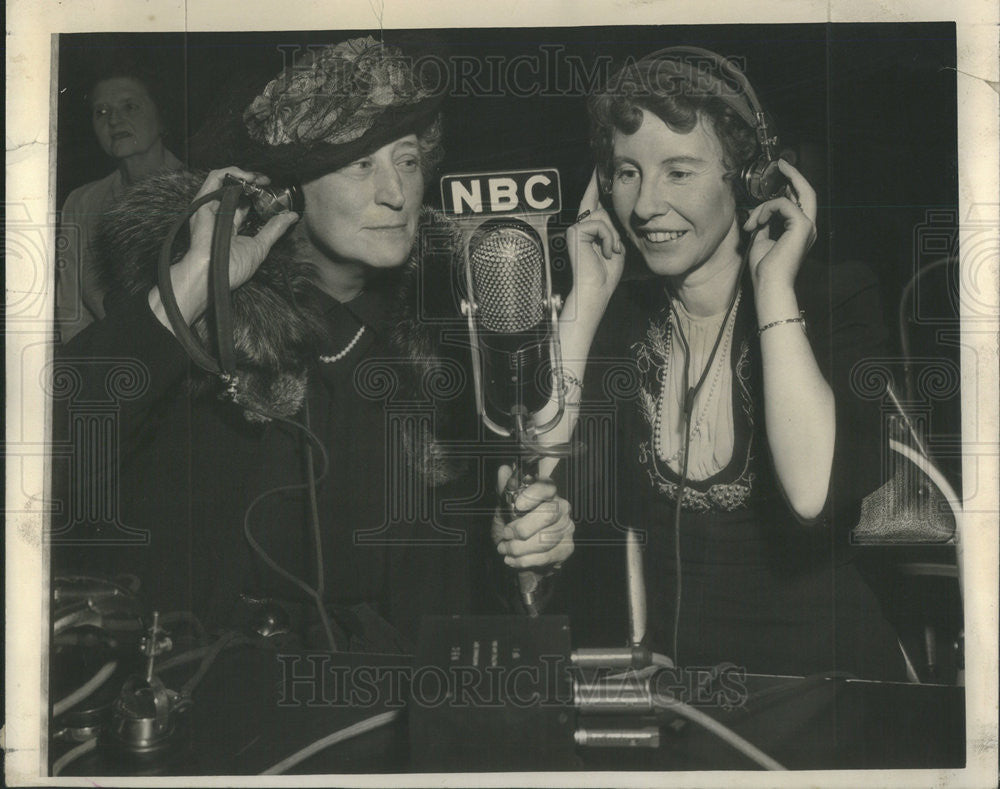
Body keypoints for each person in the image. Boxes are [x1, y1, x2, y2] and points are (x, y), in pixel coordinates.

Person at [51, 37, 573, 652]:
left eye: (406, 161)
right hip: (212, 695)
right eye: (360, 165)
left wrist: (523, 551)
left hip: (392, 701)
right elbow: (55, 448)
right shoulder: (201, 337)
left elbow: (466, 600)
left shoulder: (454, 344)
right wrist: (192, 284)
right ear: (289, 189)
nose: (396, 193)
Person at [544, 47, 904, 679]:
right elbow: (538, 486)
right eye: (627, 173)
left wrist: (773, 287)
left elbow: (810, 494)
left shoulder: (835, 298)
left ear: (748, 180)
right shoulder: (619, 318)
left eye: (678, 172)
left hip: (818, 693)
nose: (646, 206)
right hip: (670, 690)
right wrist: (586, 298)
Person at [56, 62, 185, 341]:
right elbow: (72, 313)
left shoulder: (199, 192)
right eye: (101, 112)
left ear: (162, 118)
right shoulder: (81, 203)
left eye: (130, 107)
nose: (113, 121)